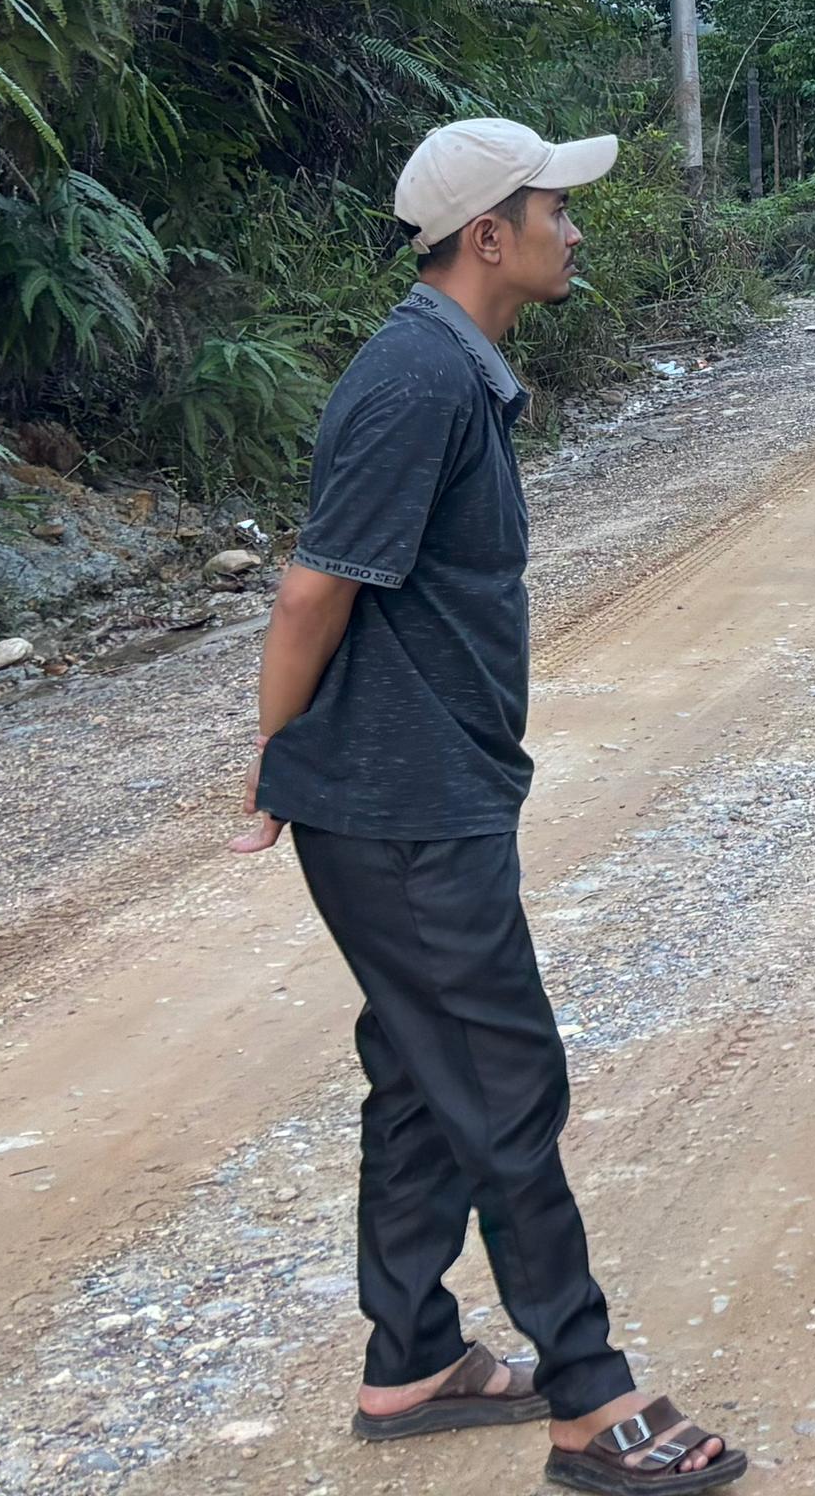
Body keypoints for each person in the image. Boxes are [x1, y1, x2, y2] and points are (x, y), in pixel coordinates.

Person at [240, 116, 744, 1492]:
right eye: (556, 209)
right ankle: (589, 1397)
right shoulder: (414, 378)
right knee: (504, 1072)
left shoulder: (456, 371)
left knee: (422, 1070)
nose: (574, 229)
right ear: (488, 237)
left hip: (425, 786)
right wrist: (276, 755)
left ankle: (410, 1362)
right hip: (396, 803)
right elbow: (312, 586)